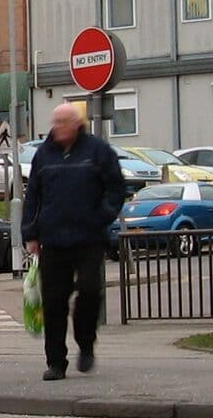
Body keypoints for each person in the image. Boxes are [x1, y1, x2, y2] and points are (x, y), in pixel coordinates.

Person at [21, 103, 128, 381]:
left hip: (88, 237)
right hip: (53, 239)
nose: (57, 127)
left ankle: (86, 341)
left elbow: (116, 188)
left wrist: (102, 215)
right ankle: (56, 362)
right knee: (54, 303)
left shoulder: (97, 151)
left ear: (77, 123)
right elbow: (33, 195)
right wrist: (30, 233)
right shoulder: (44, 155)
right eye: (55, 122)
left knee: (90, 292)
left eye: (63, 122)